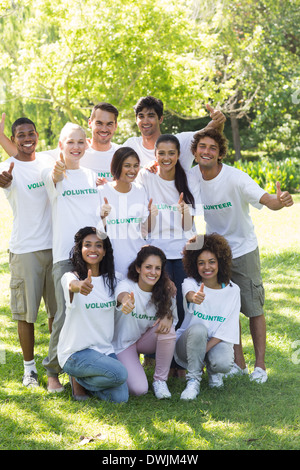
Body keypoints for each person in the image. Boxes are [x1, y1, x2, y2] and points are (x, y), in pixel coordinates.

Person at [189, 128, 294, 383]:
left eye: (213, 148)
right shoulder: (192, 177)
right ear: (195, 151)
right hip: (216, 254)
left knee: (253, 308)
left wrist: (279, 201)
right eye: (202, 146)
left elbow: (266, 199)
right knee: (228, 309)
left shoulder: (235, 178)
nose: (207, 151)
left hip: (243, 250)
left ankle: (260, 366)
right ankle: (240, 364)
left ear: (220, 153)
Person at [41, 123, 103, 392]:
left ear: (86, 144)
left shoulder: (92, 176)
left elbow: (98, 214)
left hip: (91, 256)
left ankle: (79, 372)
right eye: (70, 142)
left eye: (80, 142)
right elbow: (53, 178)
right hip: (65, 257)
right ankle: (52, 372)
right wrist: (57, 171)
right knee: (64, 314)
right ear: (61, 146)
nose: (76, 147)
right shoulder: (53, 173)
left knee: (87, 314)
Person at [0, 117, 56, 388]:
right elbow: (4, 181)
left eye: (30, 133)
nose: (26, 138)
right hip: (25, 251)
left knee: (57, 313)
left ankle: (54, 366)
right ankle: (29, 369)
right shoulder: (6, 168)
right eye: (19, 135)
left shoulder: (47, 161)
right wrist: (5, 181)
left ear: (37, 135)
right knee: (26, 315)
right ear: (14, 138)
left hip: (55, 248)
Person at [136, 134, 201, 331]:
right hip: (157, 251)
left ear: (178, 155)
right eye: (161, 153)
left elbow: (189, 226)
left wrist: (184, 211)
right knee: (158, 302)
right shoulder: (146, 176)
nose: (166, 158)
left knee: (182, 304)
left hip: (183, 250)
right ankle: (152, 354)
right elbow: (144, 225)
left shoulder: (189, 179)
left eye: (171, 153)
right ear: (154, 155)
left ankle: (179, 354)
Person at [57, 226, 128, 403]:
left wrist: (126, 300)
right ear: (80, 250)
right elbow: (72, 285)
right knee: (120, 373)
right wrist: (80, 286)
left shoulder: (115, 279)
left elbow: (122, 294)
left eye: (98, 245)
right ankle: (75, 376)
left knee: (120, 398)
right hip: (76, 353)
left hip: (104, 351)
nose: (93, 249)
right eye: (87, 245)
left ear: (105, 251)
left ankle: (82, 381)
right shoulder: (70, 276)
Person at [175, 233, 240, 400]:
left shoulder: (233, 290)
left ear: (220, 262)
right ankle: (193, 381)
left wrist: (203, 352)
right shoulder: (191, 283)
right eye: (201, 263)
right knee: (198, 329)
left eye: (212, 262)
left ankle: (213, 372)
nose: (207, 267)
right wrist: (194, 297)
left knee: (224, 363)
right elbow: (189, 294)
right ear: (194, 264)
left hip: (211, 344)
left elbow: (227, 328)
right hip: (187, 346)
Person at [113, 245, 177, 399]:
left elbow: (172, 319)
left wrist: (168, 316)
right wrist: (126, 301)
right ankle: (126, 365)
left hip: (144, 340)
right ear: (138, 268)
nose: (153, 272)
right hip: (124, 344)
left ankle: (160, 381)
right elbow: (122, 295)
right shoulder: (127, 285)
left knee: (168, 330)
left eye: (157, 268)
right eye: (148, 267)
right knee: (139, 389)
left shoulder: (166, 291)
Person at [0, 102, 120, 179]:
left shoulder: (121, 153)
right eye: (99, 123)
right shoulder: (72, 151)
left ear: (115, 126)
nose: (104, 129)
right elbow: (23, 156)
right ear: (90, 123)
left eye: (109, 124)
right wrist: (0, 136)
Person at [123, 96, 226, 171]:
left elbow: (211, 132)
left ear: (160, 119)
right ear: (136, 120)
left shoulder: (181, 141)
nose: (145, 121)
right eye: (141, 116)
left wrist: (219, 121)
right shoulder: (130, 145)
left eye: (151, 116)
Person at [99, 146, 158, 276]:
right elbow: (98, 233)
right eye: (127, 166)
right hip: (112, 264)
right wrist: (103, 217)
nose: (132, 170)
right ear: (117, 166)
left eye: (136, 166)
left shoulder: (140, 190)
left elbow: (145, 229)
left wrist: (152, 215)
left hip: (137, 264)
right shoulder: (102, 191)